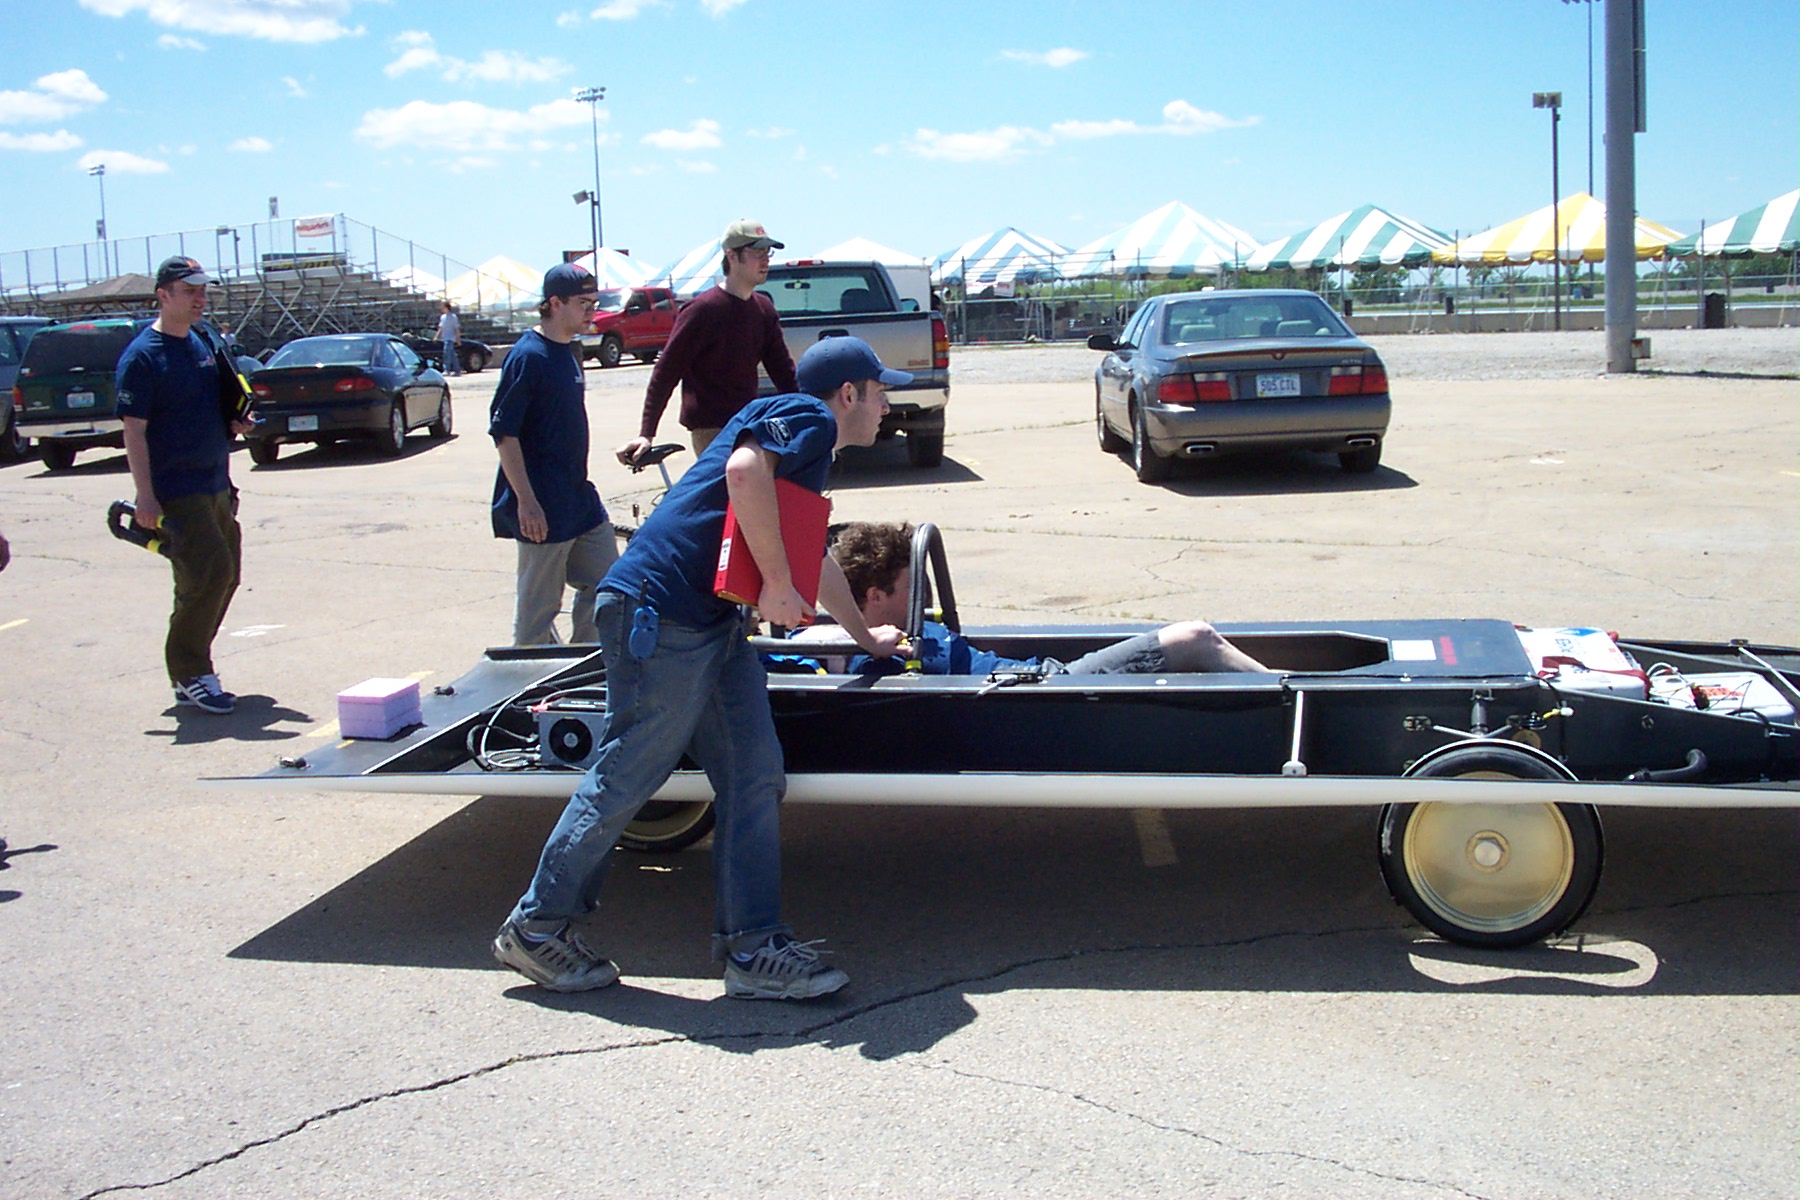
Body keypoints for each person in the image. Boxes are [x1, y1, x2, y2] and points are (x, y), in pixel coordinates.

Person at [494, 335, 909, 1000]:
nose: (890, 404)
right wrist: (774, 581)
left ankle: (752, 948)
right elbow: (743, 474)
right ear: (850, 394)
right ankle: (537, 928)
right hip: (659, 613)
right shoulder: (807, 417)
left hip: (706, 624)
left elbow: (813, 556)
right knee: (630, 773)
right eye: (882, 389)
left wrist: (864, 636)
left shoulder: (807, 451)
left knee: (753, 772)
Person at [815, 521, 1271, 677]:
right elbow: (816, 654)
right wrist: (854, 635)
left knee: (1195, 642)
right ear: (875, 596)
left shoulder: (900, 629)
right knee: (1195, 636)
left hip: (1038, 679)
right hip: (1042, 691)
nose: (924, 598)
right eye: (913, 588)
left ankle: (1291, 682)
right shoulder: (873, 650)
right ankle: (1298, 689)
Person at [118, 256, 256, 715]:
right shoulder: (143, 356)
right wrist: (145, 495)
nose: (200, 299)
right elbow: (134, 431)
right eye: (189, 290)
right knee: (210, 573)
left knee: (224, 575)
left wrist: (236, 419)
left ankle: (190, 670)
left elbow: (216, 398)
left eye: (203, 291)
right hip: (177, 490)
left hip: (217, 481)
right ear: (163, 295)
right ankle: (190, 670)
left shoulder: (201, 342)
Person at [489, 262, 615, 646]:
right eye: (583, 302)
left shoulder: (569, 351)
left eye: (594, 301)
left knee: (610, 585)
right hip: (541, 506)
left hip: (579, 498)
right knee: (536, 615)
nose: (591, 310)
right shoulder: (529, 356)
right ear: (555, 303)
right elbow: (504, 434)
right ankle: (527, 689)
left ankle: (582, 668)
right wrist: (526, 502)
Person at [616, 218, 797, 462]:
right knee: (731, 497)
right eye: (756, 252)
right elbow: (666, 371)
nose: (765, 259)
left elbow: (784, 373)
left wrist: (806, 416)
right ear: (731, 256)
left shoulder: (763, 309)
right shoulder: (703, 310)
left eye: (767, 252)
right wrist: (647, 433)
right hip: (711, 430)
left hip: (748, 424)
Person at [436, 301, 462, 376]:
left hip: (450, 338)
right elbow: (440, 328)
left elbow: (456, 329)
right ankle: (457, 370)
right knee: (452, 355)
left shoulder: (453, 317)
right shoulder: (443, 317)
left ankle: (447, 370)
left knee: (446, 353)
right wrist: (436, 336)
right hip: (445, 338)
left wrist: (458, 339)